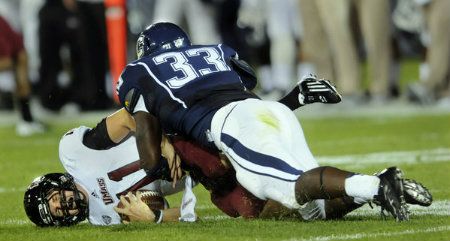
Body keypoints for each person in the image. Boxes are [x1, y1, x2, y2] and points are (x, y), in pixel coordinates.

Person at [116, 22, 415, 222]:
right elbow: (247, 88)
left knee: (293, 189)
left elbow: (151, 159)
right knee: (311, 209)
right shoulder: (216, 50)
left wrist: (165, 148)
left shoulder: (137, 71)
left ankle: (377, 185)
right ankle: (381, 181)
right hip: (268, 112)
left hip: (232, 125)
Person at [23, 108, 196, 226]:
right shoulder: (103, 218)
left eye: (54, 199)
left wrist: (162, 142)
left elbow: (126, 117)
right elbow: (186, 214)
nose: (62, 205)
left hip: (174, 124)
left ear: (55, 183)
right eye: (58, 212)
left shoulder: (74, 153)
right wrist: (156, 217)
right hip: (198, 169)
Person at [0, 14, 45, 136]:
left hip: (17, 53)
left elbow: (7, 61)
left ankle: (27, 120)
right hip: (9, 52)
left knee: (22, 83)